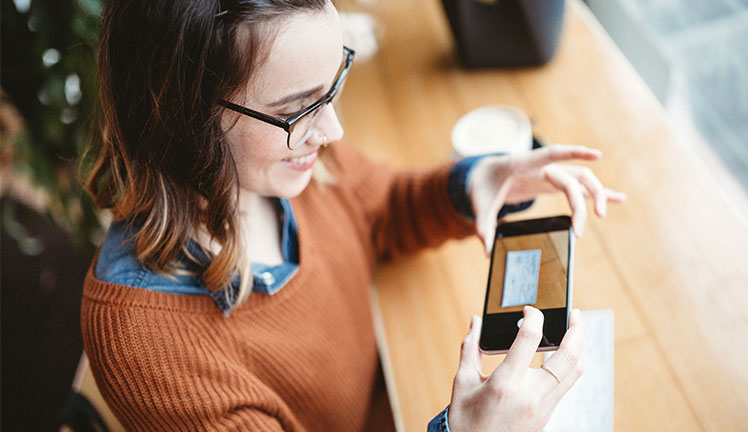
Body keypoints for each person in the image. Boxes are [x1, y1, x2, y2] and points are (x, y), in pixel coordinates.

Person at [81, 0, 626, 430]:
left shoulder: (285, 159)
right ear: (180, 115)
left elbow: (381, 208)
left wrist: (473, 183)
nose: (334, 131)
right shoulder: (147, 346)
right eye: (298, 109)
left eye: (334, 84)